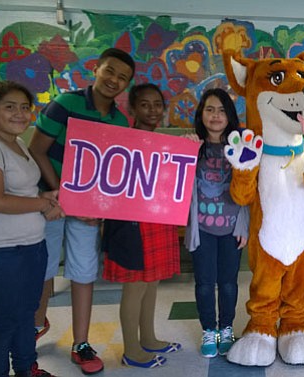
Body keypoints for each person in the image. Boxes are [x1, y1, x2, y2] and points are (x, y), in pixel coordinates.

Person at [29, 47, 135, 375]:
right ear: (96, 70)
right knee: (42, 270)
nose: (114, 81)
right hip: (49, 203)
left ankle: (82, 343)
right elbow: (37, 150)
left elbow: (112, 174)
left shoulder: (120, 120)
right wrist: (60, 196)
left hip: (86, 212)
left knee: (84, 272)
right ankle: (33, 328)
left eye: (122, 78)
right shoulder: (66, 104)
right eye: (110, 72)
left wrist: (99, 207)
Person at [0, 80, 64, 377]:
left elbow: (22, 192)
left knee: (25, 316)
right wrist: (42, 205)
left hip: (31, 245)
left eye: (24, 108)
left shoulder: (15, 142)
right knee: (4, 320)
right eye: (9, 107)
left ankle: (26, 369)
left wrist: (43, 196)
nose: (19, 114)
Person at [100, 83, 183, 369]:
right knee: (134, 286)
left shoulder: (162, 144)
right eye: (145, 105)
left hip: (157, 221)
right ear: (132, 109)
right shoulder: (122, 143)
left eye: (157, 104)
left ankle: (148, 337)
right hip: (131, 226)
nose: (152, 110)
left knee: (152, 283)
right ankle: (131, 350)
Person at [184, 88, 249, 358]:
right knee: (204, 282)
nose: (215, 115)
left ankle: (227, 328)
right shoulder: (192, 146)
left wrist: (244, 225)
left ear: (230, 116)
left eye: (222, 110)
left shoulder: (240, 146)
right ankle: (209, 329)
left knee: (229, 282)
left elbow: (247, 189)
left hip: (232, 228)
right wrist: (185, 150)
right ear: (201, 113)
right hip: (202, 230)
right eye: (210, 109)